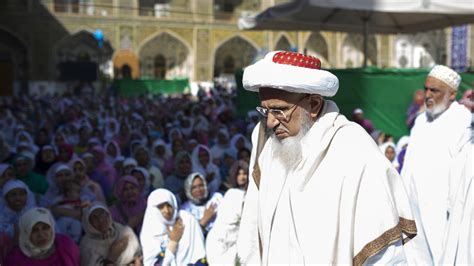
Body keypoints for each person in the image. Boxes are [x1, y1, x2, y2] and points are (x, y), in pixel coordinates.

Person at [236, 51, 428, 265]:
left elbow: (383, 255)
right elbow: (253, 226)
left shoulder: (353, 150)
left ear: (314, 105)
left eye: (280, 111)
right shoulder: (267, 141)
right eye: (265, 111)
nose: (271, 121)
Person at [401, 65, 472, 263]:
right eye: (426, 89)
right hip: (413, 209)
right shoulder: (420, 121)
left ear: (452, 94)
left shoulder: (463, 120)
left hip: (443, 211)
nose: (428, 94)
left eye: (435, 90)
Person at [140, 188, 206, 266]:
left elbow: (199, 256)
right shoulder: (149, 232)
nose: (167, 211)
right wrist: (173, 242)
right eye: (161, 207)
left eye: (169, 205)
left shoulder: (187, 220)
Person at [206, 160, 249, 265]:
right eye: (239, 174)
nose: (242, 177)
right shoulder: (230, 194)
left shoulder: (252, 195)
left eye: (245, 174)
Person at [5, 207, 80, 265]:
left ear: (52, 229)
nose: (41, 234)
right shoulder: (15, 260)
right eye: (34, 230)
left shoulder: (65, 245)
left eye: (45, 228)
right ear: (26, 234)